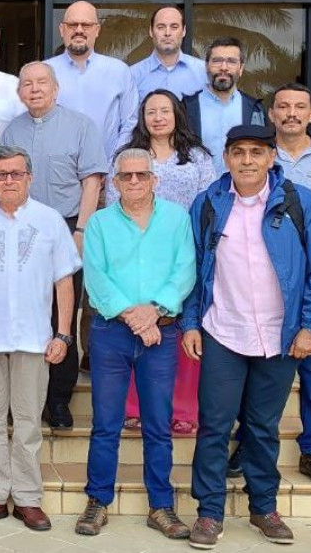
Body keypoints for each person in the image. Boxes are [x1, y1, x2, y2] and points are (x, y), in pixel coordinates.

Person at [183, 125, 311, 550]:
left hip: (281, 335)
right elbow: (195, 272)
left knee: (262, 427)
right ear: (227, 158)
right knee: (215, 426)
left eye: (256, 152)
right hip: (223, 333)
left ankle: (264, 508)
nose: (247, 160)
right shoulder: (208, 204)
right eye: (238, 152)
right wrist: (191, 323)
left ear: (272, 158)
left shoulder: (297, 202)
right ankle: (209, 513)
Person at [226, 82, 311, 487]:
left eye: (299, 107)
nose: (291, 113)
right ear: (273, 115)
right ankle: (247, 443)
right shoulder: (256, 154)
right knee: (257, 366)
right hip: (261, 283)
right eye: (283, 107)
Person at [0, 146, 80, 533]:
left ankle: (27, 498)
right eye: (1, 174)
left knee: (26, 422)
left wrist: (64, 334)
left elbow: (64, 283)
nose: (9, 180)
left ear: (29, 177)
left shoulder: (50, 221)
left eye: (16, 173)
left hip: (33, 339)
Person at [74, 148, 195, 540]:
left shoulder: (177, 219)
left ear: (154, 179)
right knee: (106, 422)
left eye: (142, 175)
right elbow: (97, 277)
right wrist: (134, 316)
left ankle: (161, 506)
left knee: (158, 424)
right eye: (126, 176)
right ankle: (97, 502)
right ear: (115, 182)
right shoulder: (99, 224)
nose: (134, 182)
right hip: (112, 334)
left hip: (161, 333)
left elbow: (185, 270)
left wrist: (155, 310)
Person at [1, 61, 107, 429]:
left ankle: (59, 400)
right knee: (25, 314)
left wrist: (81, 231)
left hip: (67, 227)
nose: (34, 89)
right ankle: (24, 399)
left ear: (56, 89)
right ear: (19, 93)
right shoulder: (12, 129)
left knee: (63, 316)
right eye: (26, 83)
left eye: (41, 83)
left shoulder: (81, 126)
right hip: (21, 227)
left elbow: (92, 182)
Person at [111, 89, 217, 436]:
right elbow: (114, 200)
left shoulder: (198, 158)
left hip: (184, 250)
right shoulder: (128, 156)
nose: (158, 117)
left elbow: (210, 203)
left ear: (177, 116)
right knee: (139, 323)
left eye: (164, 111)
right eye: (151, 111)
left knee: (182, 326)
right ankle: (134, 406)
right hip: (136, 250)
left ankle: (183, 408)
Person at [46, 0, 139, 156]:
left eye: (86, 25)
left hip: (108, 172)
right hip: (57, 175)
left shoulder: (119, 71)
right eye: (72, 25)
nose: (79, 30)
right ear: (62, 30)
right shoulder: (44, 72)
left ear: (97, 30)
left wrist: (113, 165)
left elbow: (130, 123)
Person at [182, 36, 267, 163]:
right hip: (200, 183)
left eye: (231, 61)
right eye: (217, 61)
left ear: (241, 69)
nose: (223, 67)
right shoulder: (186, 107)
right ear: (206, 66)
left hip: (241, 183)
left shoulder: (254, 109)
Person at [129, 6, 207, 100]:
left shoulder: (204, 72)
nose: (167, 33)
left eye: (174, 27)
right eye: (161, 27)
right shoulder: (132, 76)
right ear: (151, 31)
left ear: (184, 31)